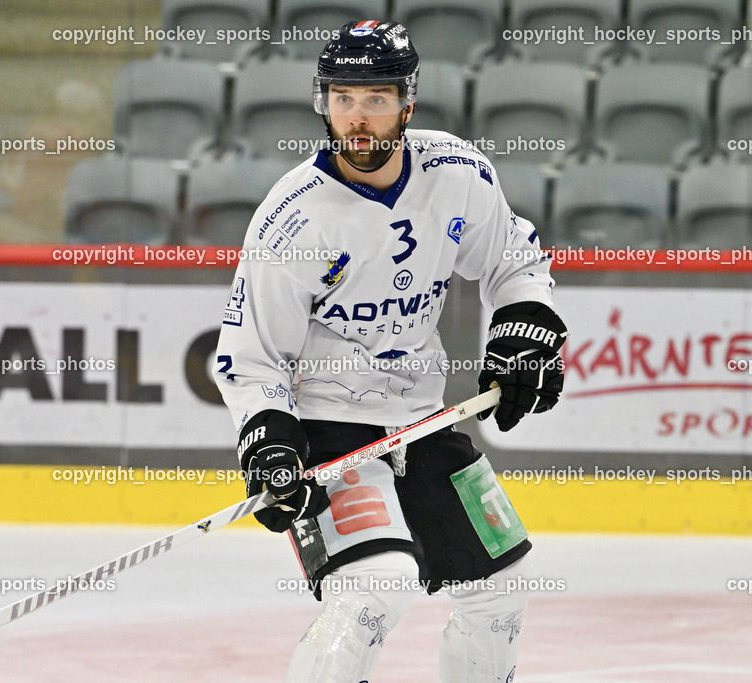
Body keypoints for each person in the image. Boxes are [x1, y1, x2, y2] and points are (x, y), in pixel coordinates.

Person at [213, 20, 567, 682]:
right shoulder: (293, 218)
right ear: (323, 103)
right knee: (374, 588)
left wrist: (525, 329)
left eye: (375, 99)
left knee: (502, 587)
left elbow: (513, 260)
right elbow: (251, 354)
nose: (357, 118)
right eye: (343, 99)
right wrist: (268, 440)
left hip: (420, 418)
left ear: (407, 103)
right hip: (329, 426)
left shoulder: (457, 172)